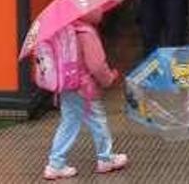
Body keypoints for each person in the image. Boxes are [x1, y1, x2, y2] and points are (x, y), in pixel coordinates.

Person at [43, 10, 129, 180]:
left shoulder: (65, 29)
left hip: (67, 85)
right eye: (97, 10)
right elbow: (97, 65)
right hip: (85, 87)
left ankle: (56, 163)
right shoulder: (86, 32)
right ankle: (106, 158)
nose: (101, 12)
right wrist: (109, 79)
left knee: (69, 122)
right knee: (98, 121)